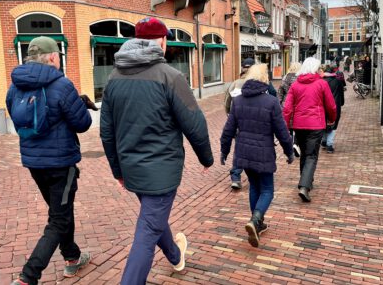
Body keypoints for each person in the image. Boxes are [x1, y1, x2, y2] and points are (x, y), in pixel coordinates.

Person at [100, 17, 213, 285]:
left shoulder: (114, 79)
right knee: (148, 229)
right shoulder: (172, 77)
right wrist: (206, 157)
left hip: (133, 169)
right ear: (162, 41)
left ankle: (175, 256)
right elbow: (194, 122)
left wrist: (118, 170)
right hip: (162, 171)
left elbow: (107, 132)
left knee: (153, 218)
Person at [6, 36, 93, 285]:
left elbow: (15, 116)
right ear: (53, 57)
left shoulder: (15, 86)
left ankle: (72, 257)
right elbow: (83, 124)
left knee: (60, 212)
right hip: (60, 164)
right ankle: (28, 276)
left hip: (34, 163)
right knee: (59, 218)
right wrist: (80, 105)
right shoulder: (62, 84)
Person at [220, 64, 294, 248]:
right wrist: (289, 151)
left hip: (244, 152)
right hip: (263, 153)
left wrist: (224, 150)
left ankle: (257, 222)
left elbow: (228, 130)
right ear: (264, 79)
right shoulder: (271, 102)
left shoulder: (238, 101)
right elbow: (282, 131)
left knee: (254, 186)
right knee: (267, 189)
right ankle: (256, 220)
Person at [282, 57, 337, 203]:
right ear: (315, 68)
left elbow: (287, 108)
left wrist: (286, 125)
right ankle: (304, 186)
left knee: (305, 154)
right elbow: (331, 105)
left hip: (299, 125)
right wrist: (332, 118)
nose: (320, 70)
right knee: (311, 155)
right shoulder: (321, 84)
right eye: (319, 68)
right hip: (315, 125)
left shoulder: (295, 85)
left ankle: (306, 181)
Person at [224, 57, 254, 189]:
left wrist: (231, 117)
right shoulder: (259, 83)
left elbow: (227, 104)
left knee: (239, 149)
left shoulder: (235, 83)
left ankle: (236, 176)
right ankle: (257, 174)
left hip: (238, 123)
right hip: (255, 123)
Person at [321, 65, 345, 153]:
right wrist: (341, 102)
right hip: (335, 106)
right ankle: (329, 145)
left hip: (322, 106)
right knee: (333, 124)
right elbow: (341, 94)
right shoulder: (338, 81)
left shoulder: (321, 81)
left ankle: (324, 141)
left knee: (323, 123)